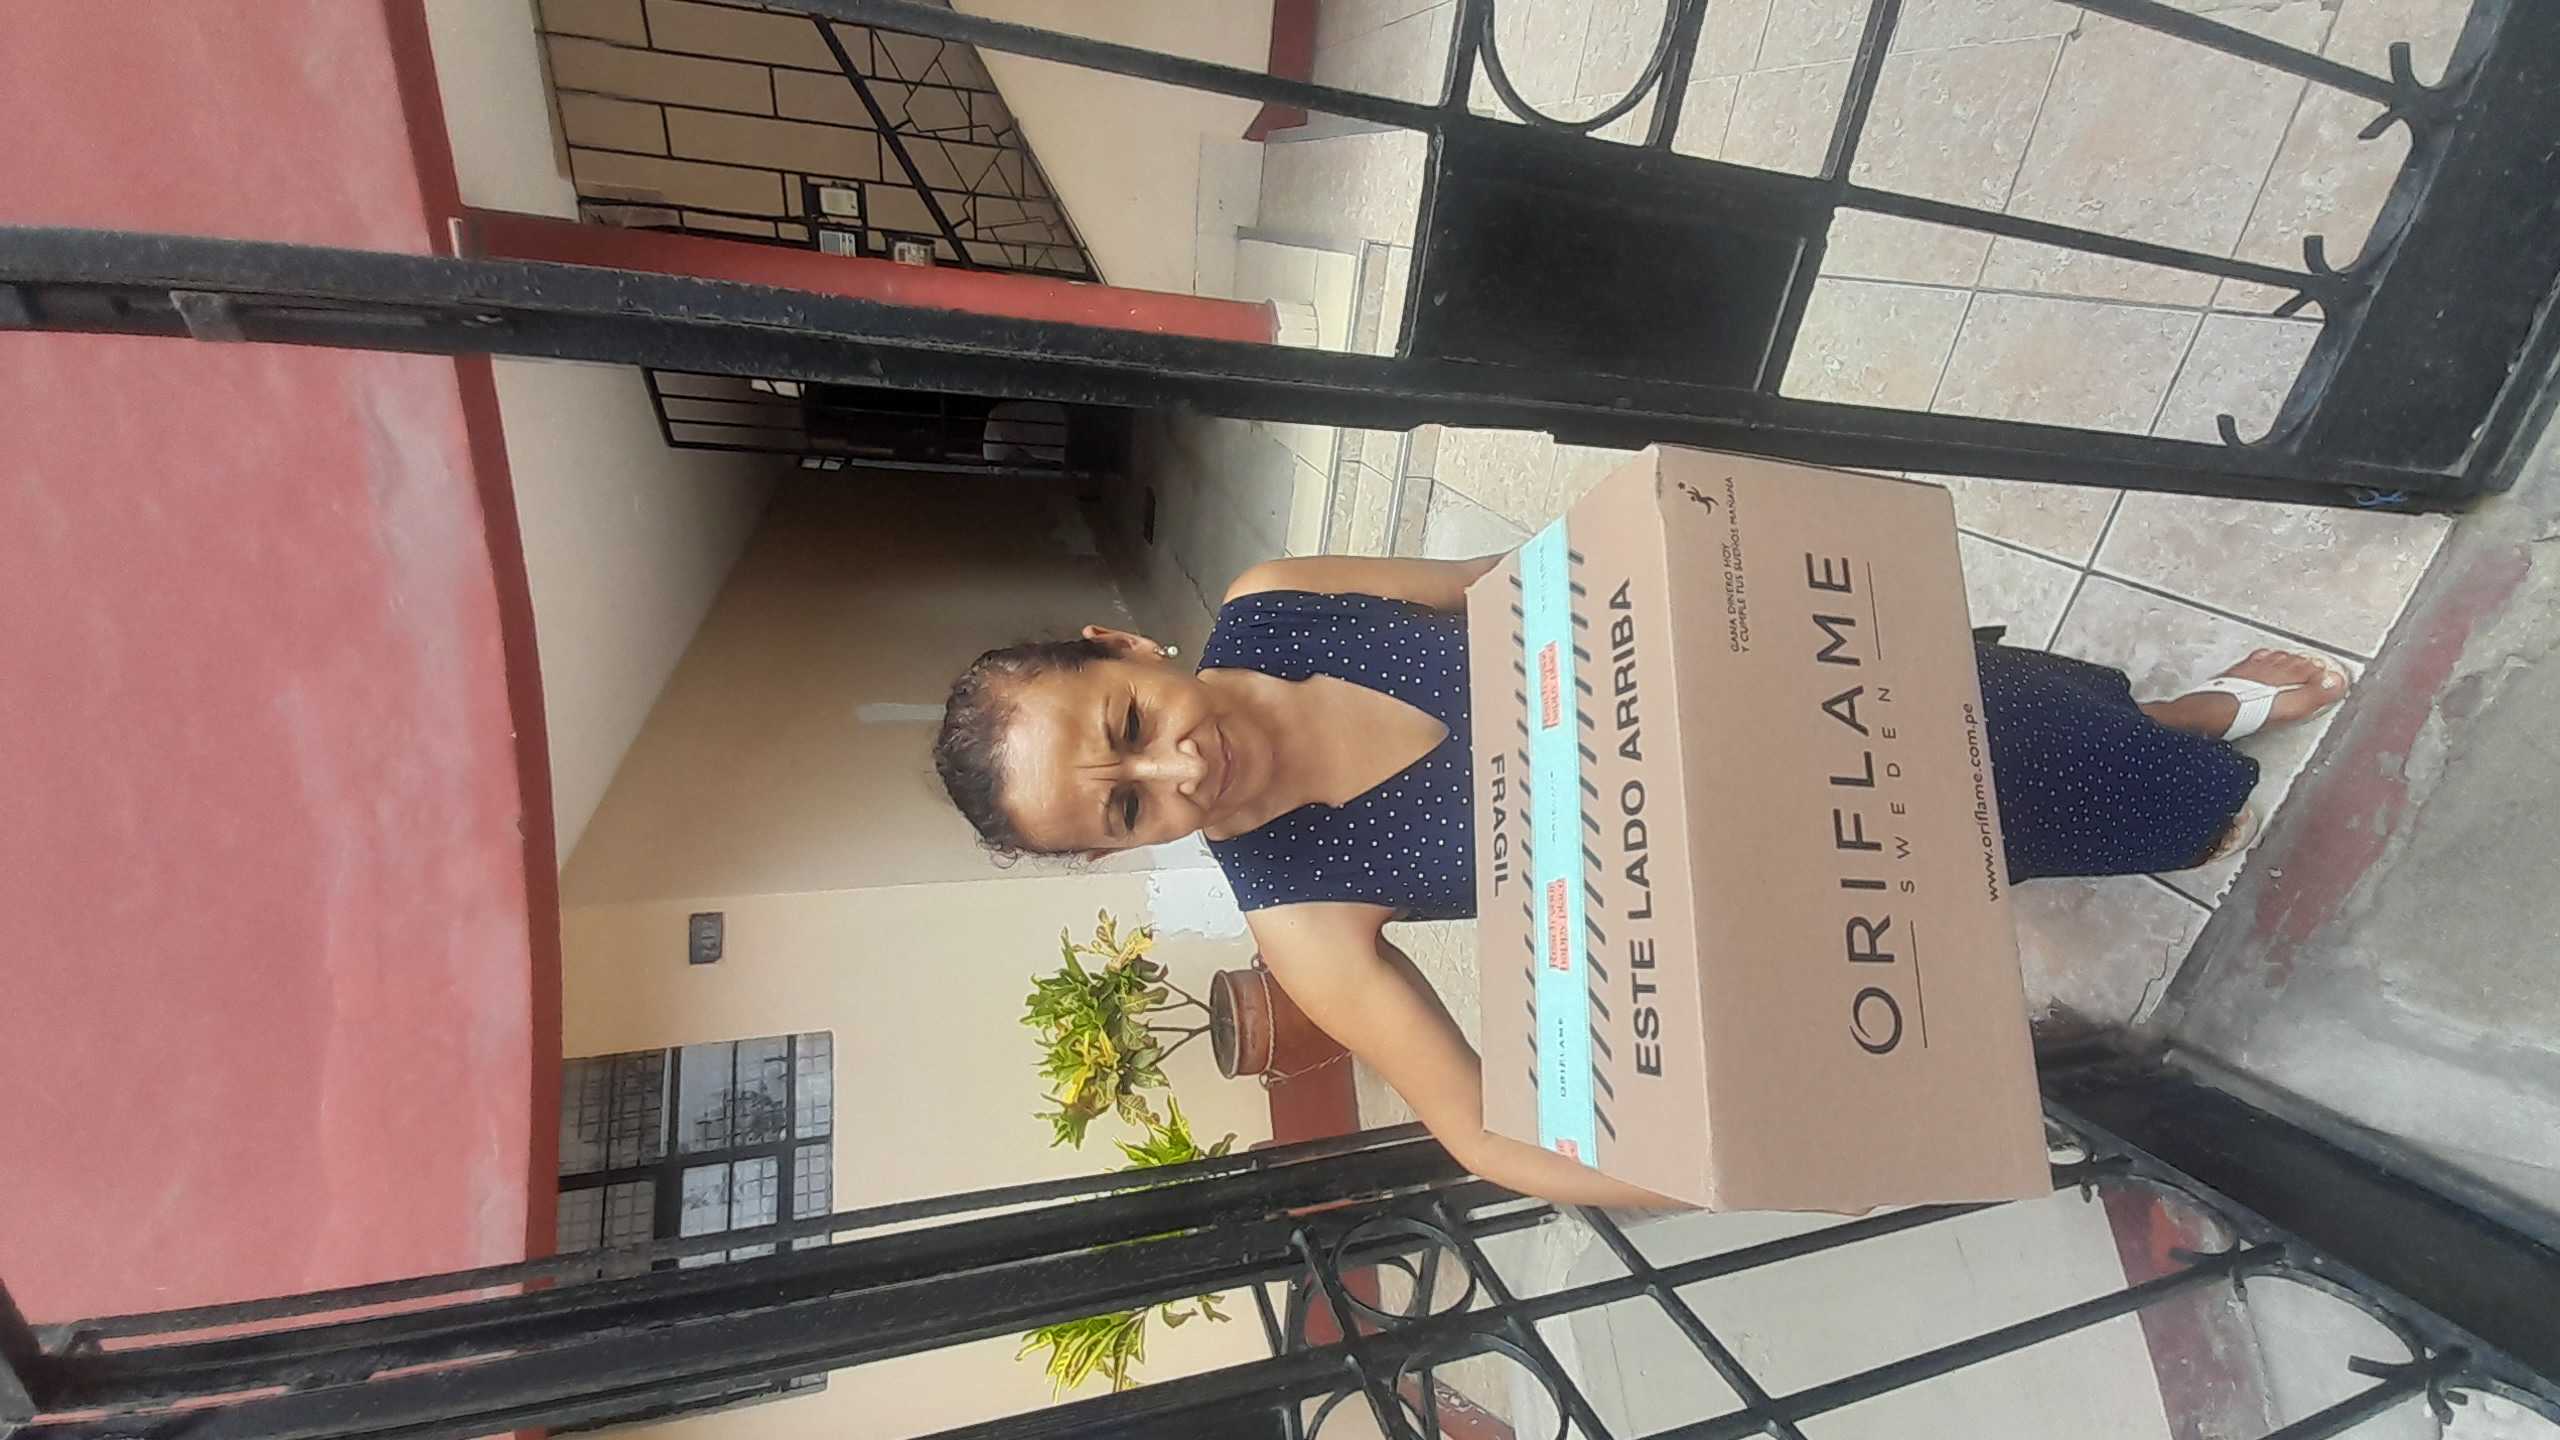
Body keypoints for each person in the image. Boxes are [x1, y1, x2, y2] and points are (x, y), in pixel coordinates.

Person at [931, 554, 2346, 1208]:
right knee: (2121, 814)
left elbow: (1518, 576)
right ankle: (2181, 755)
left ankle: (2179, 712)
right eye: (1127, 809)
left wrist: (1713, 564)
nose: (1178, 773)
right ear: (1118, 852)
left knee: (1997, 705)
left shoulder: (1280, 600)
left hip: (1788, 695)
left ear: (1123, 645)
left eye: (1130, 724)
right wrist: (1721, 1173)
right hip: (1814, 849)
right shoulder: (1301, 918)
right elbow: (1479, 1133)